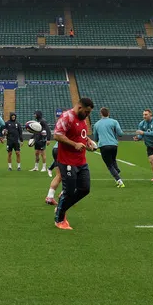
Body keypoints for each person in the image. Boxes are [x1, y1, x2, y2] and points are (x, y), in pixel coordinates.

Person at [52, 98, 96, 230]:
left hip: (81, 161)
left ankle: (62, 206)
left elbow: (80, 136)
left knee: (84, 189)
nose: (88, 115)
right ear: (80, 107)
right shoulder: (67, 117)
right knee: (69, 191)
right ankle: (59, 219)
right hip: (67, 161)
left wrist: (88, 142)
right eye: (87, 112)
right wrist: (74, 144)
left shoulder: (82, 120)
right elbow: (57, 135)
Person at [93, 107, 125, 187]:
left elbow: (95, 138)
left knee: (109, 165)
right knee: (113, 160)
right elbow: (120, 134)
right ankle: (117, 171)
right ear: (108, 113)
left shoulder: (96, 124)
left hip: (103, 145)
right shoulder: (114, 122)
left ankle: (119, 180)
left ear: (101, 114)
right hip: (114, 145)